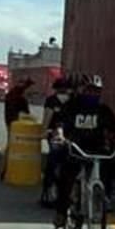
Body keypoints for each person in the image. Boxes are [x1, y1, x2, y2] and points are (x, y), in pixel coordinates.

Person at [51, 74, 115, 229]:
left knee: (107, 169)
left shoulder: (103, 110)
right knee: (66, 179)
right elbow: (59, 123)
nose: (93, 94)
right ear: (81, 90)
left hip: (96, 148)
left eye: (96, 91)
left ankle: (104, 198)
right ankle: (61, 212)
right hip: (75, 147)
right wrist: (60, 135)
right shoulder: (70, 107)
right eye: (89, 90)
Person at [39, 77, 73, 206]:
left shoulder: (51, 100)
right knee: (68, 163)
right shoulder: (73, 101)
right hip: (69, 136)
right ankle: (66, 194)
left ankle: (48, 192)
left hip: (54, 135)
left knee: (53, 163)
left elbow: (47, 117)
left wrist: (43, 132)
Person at [2, 78, 33, 176]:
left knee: (10, 145)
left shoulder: (11, 93)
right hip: (18, 124)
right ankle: (12, 168)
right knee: (17, 146)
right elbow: (27, 114)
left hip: (9, 121)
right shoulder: (21, 98)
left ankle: (6, 168)